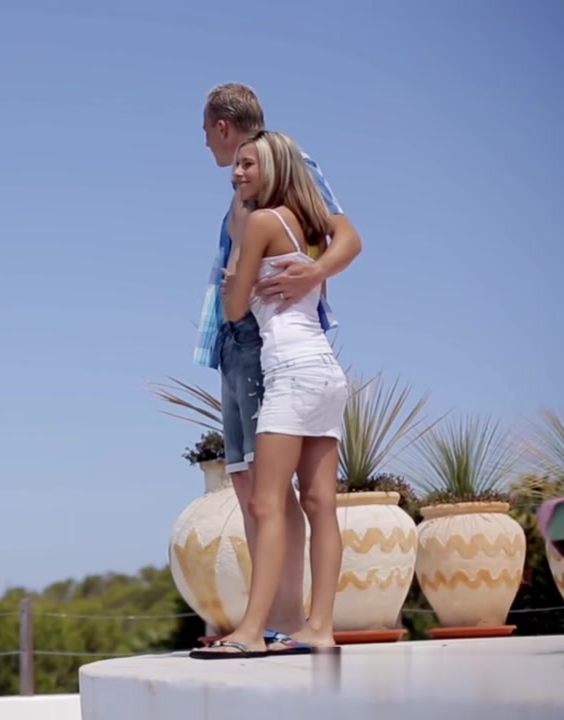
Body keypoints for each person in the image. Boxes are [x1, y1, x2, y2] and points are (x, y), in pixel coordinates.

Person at [191, 83, 361, 654]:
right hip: (322, 371)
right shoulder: (296, 219)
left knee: (265, 499)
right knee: (317, 503)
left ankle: (258, 629)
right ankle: (317, 627)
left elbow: (235, 302)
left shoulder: (267, 211)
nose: (236, 173)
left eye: (246, 166)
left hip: (282, 364)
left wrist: (254, 267)